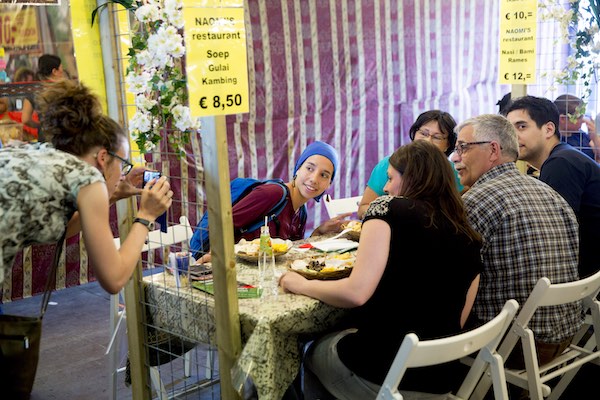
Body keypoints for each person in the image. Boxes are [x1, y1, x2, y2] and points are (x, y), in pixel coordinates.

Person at [280, 140, 483, 399]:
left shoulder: (386, 208)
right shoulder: (469, 234)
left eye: (390, 178)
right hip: (440, 381)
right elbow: (460, 319)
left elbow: (356, 293)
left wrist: (299, 284)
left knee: (312, 349)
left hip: (384, 374)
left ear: (412, 178)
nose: (386, 188)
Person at [0, 79, 173, 295]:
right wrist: (146, 215)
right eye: (123, 163)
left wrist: (111, 196)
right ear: (103, 157)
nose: (123, 172)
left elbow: (62, 228)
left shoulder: (41, 152)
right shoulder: (89, 179)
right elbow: (114, 278)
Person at [450, 114, 583, 370]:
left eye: (463, 147)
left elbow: (450, 280)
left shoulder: (477, 201)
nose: (456, 157)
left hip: (516, 345)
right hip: (566, 335)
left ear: (492, 150)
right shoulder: (547, 191)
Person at [195, 140, 350, 263]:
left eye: (324, 175)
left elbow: (292, 252)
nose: (314, 179)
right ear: (298, 169)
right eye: (310, 168)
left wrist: (319, 231)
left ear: (329, 183)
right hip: (222, 266)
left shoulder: (301, 212)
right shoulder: (274, 194)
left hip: (256, 273)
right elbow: (222, 223)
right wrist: (213, 257)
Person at [505, 95, 600, 279]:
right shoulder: (562, 157)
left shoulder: (560, 162)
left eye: (522, 126)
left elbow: (555, 235)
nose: (513, 136)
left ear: (549, 129)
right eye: (509, 129)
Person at [357, 110, 462, 218]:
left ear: (448, 144)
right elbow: (363, 208)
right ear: (414, 134)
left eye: (436, 137)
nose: (428, 141)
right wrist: (387, 217)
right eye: (424, 133)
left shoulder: (456, 172)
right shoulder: (390, 165)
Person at [21, 54, 64, 142]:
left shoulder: (33, 90)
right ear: (54, 71)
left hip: (44, 137)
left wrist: (40, 126)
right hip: (63, 137)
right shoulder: (63, 90)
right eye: (61, 71)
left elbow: (25, 119)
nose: (62, 74)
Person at [554, 94, 599, 161]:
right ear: (563, 119)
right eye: (579, 117)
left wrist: (594, 137)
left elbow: (598, 155)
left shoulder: (580, 134)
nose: (583, 120)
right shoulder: (555, 140)